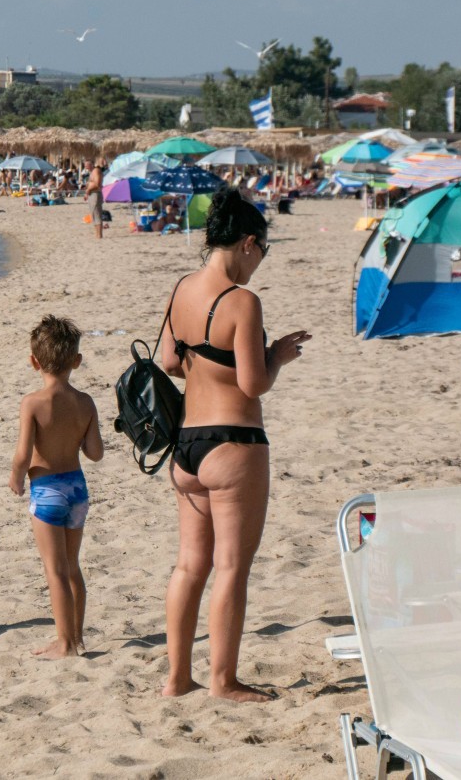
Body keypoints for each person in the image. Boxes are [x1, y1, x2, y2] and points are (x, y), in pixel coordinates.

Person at [158, 187, 311, 702]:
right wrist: (278, 355)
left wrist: (206, 360)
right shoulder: (243, 301)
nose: (259, 265)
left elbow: (169, 363)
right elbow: (253, 384)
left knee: (187, 566)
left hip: (186, 445)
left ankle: (177, 678)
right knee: (230, 569)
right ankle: (223, 680)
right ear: (248, 242)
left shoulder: (182, 288)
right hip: (235, 444)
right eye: (262, 253)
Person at [8, 315, 104, 658]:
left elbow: (23, 452)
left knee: (55, 570)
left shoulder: (32, 403)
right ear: (76, 362)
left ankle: (64, 644)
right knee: (72, 566)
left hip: (47, 489)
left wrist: (16, 476)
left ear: (34, 362)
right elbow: (95, 454)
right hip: (77, 488)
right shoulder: (86, 402)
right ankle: (75, 637)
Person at [85, 159, 105, 239]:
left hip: (95, 194)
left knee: (97, 214)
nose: (85, 166)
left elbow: (97, 184)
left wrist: (89, 189)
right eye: (85, 165)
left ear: (92, 164)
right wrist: (87, 192)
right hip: (91, 194)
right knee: (93, 214)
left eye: (87, 165)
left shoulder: (96, 171)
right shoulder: (91, 172)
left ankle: (99, 234)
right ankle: (97, 234)